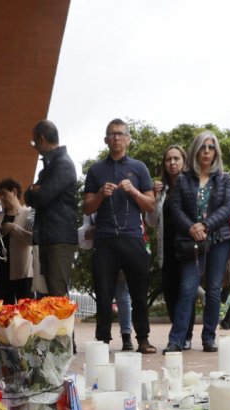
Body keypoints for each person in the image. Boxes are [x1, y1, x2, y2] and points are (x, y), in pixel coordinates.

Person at [83, 118, 157, 354]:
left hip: (133, 237)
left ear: (128, 139)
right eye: (112, 134)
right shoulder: (95, 170)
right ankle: (103, 341)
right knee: (103, 293)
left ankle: (143, 339)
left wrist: (133, 191)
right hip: (105, 238)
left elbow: (150, 205)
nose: (116, 137)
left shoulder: (139, 167)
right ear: (106, 140)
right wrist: (100, 195)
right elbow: (87, 207)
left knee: (139, 292)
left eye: (120, 133)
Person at [164, 130, 230, 353]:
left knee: (214, 289)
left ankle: (209, 338)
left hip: (219, 239)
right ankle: (176, 340)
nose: (206, 151)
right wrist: (191, 227)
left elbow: (229, 206)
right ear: (195, 151)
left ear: (216, 152)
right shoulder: (184, 179)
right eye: (202, 147)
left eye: (211, 147)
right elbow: (175, 208)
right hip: (191, 241)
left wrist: (205, 225)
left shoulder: (224, 178)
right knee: (187, 288)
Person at [25, 120, 78, 297]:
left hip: (59, 237)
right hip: (49, 236)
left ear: (42, 139)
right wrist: (33, 190)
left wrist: (35, 190)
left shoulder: (62, 163)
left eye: (34, 141)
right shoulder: (51, 165)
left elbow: (41, 197)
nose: (34, 146)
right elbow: (30, 196)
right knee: (49, 294)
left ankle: (66, 318)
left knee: (57, 293)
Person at [150, 145, 194, 349]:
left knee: (186, 291)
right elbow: (151, 221)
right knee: (170, 292)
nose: (172, 163)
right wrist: (154, 197)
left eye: (176, 158)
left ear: (184, 162)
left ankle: (184, 336)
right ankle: (180, 332)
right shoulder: (162, 190)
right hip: (166, 248)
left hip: (187, 246)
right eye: (168, 159)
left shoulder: (192, 185)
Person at [0, 178, 33, 303]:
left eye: (4, 194)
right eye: (0, 195)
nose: (1, 198)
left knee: (25, 310)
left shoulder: (28, 213)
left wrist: (14, 228)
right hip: (1, 273)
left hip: (22, 274)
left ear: (14, 192)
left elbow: (33, 239)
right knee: (4, 311)